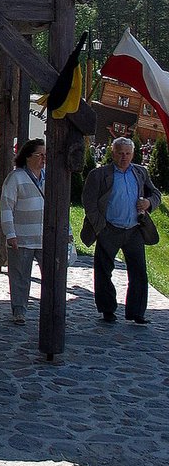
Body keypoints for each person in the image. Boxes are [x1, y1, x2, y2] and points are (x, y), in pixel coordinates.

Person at [82, 136, 162, 325]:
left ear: (133, 154)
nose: (124, 157)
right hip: (109, 228)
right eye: (120, 153)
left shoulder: (140, 172)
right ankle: (108, 309)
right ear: (113, 153)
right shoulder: (99, 174)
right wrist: (100, 226)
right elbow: (89, 202)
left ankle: (137, 312)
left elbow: (155, 193)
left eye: (127, 153)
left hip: (134, 228)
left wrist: (149, 203)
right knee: (103, 271)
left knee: (139, 272)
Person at [0, 138, 71, 326]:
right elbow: (6, 206)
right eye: (40, 155)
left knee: (52, 276)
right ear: (28, 157)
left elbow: (60, 207)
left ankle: (52, 310)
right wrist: (10, 233)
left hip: (46, 238)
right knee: (20, 276)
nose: (44, 159)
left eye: (46, 155)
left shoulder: (50, 177)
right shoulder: (16, 178)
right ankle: (19, 310)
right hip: (22, 238)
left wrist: (67, 231)